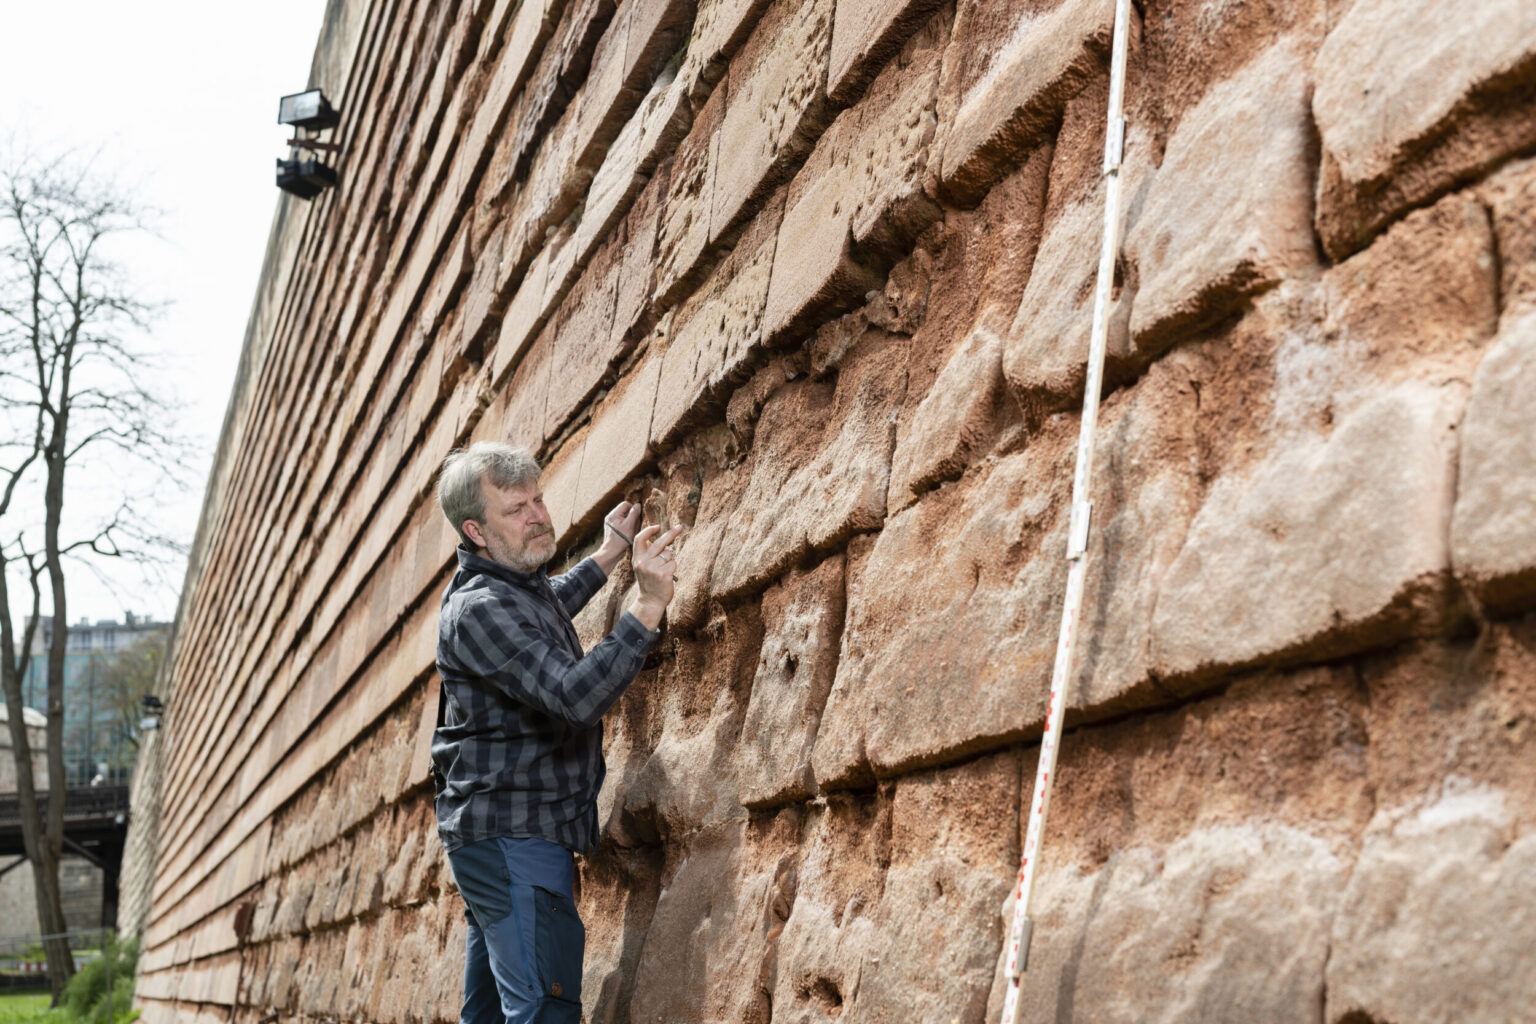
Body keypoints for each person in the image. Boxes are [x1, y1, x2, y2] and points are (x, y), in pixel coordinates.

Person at [431, 441, 681, 1023]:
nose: (538, 516)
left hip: (498, 841)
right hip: (515, 839)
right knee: (544, 1012)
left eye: (538, 500)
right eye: (516, 509)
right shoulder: (480, 609)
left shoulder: (506, 585)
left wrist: (609, 554)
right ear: (475, 530)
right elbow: (574, 697)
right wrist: (647, 605)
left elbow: (546, 605)